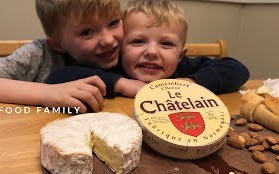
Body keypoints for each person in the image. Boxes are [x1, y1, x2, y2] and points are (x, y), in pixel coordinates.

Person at [0, 0, 135, 113]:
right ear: (57, 44)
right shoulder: (40, 54)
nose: (108, 39)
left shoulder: (131, 43)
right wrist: (47, 93)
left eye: (113, 23)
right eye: (87, 32)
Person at [46, 0, 250, 97]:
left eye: (166, 43)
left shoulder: (181, 69)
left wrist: (190, 83)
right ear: (121, 47)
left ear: (181, 55)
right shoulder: (115, 70)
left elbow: (237, 69)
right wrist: (122, 84)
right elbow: (59, 77)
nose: (152, 52)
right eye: (138, 42)